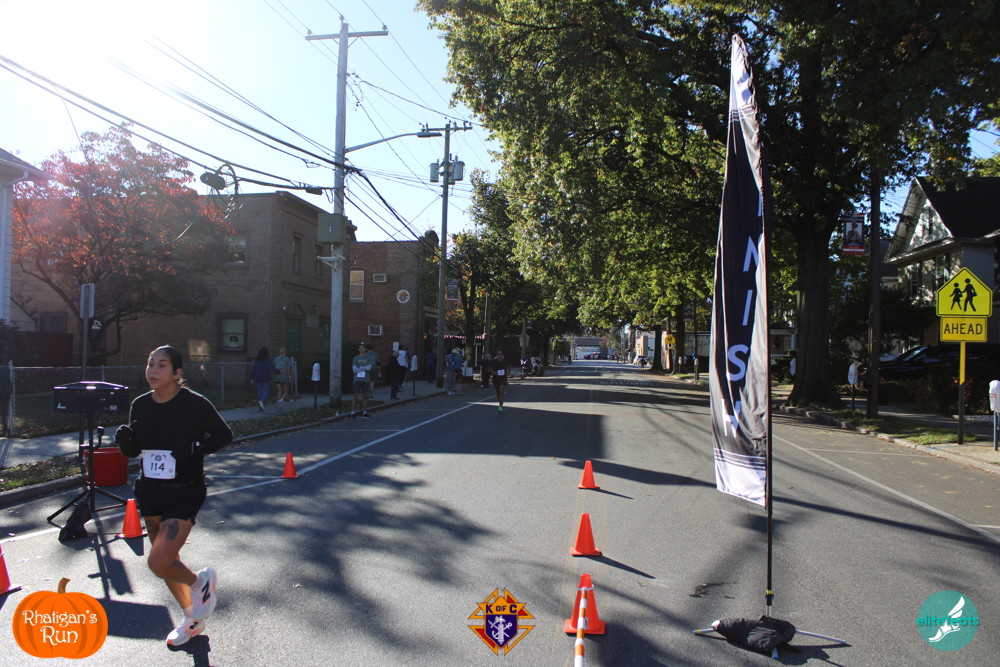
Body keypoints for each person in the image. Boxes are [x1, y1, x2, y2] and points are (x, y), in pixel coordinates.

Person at [114, 345, 233, 647]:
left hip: (185, 491)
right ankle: (192, 619)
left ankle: (200, 583)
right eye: (150, 364)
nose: (153, 370)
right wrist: (127, 445)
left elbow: (224, 435)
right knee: (168, 562)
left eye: (162, 365)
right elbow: (138, 448)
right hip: (150, 490)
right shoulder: (141, 405)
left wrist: (195, 447)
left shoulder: (194, 404)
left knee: (158, 562)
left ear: (177, 373)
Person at [349, 343, 373, 418]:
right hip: (357, 380)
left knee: (365, 396)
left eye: (363, 348)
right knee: (355, 396)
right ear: (358, 349)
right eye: (360, 347)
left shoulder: (368, 358)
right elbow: (354, 370)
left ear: (365, 349)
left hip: (365, 380)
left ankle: (364, 412)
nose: (361, 349)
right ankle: (352, 412)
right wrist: (364, 368)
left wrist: (360, 368)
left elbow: (369, 368)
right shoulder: (355, 358)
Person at [250, 346, 276, 411]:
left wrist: (252, 378)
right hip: (265, 377)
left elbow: (253, 369)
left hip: (257, 377)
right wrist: (278, 371)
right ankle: (261, 401)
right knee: (266, 391)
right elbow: (271, 367)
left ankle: (261, 405)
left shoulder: (256, 360)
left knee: (260, 390)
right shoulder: (267, 359)